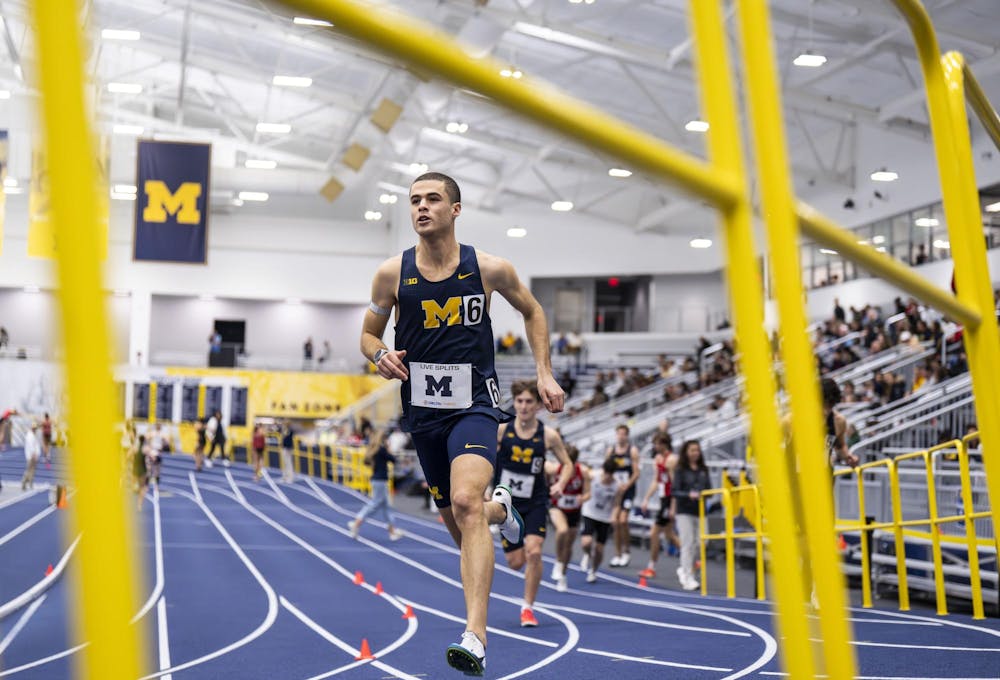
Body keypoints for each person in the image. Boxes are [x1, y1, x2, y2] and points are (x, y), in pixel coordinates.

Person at [360, 171, 564, 676]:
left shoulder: (489, 268)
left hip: (475, 403)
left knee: (467, 502)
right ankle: (503, 512)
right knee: (461, 519)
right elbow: (367, 333)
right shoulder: (391, 274)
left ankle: (475, 635)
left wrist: (543, 372)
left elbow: (533, 311)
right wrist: (380, 354)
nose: (421, 207)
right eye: (414, 200)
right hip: (423, 415)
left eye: (433, 199)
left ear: (455, 210)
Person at [494, 379, 572, 626]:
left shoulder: (548, 436)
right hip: (506, 505)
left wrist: (560, 483)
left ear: (538, 405)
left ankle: (527, 608)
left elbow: (568, 464)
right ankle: (527, 557)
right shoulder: (502, 430)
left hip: (536, 501)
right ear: (514, 403)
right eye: (519, 401)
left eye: (529, 401)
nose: (524, 406)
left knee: (535, 552)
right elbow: (484, 460)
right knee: (516, 563)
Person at [546, 444, 589, 592]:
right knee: (562, 531)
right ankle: (558, 562)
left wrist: (582, 498)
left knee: (568, 546)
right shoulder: (555, 468)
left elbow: (588, 493)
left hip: (574, 511)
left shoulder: (583, 472)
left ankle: (563, 575)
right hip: (557, 507)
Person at [348, 430, 403, 541]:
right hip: (380, 481)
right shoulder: (381, 450)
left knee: (386, 506)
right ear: (383, 439)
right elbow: (393, 459)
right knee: (375, 504)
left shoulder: (373, 450)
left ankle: (392, 532)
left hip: (377, 480)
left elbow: (366, 462)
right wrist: (388, 448)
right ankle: (356, 522)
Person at [638, 433, 680, 578]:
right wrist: (646, 499)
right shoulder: (658, 459)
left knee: (654, 533)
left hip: (669, 499)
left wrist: (673, 505)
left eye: (657, 444)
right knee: (669, 535)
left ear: (664, 444)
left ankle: (651, 567)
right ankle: (693, 561)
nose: (655, 447)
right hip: (664, 498)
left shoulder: (671, 460)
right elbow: (657, 481)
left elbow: (675, 484)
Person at [672, 440, 710, 591]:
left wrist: (703, 495)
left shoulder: (703, 469)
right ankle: (687, 576)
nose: (695, 453)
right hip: (684, 510)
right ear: (686, 452)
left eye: (697, 450)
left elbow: (709, 488)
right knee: (687, 542)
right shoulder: (680, 469)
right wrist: (689, 494)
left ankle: (686, 568)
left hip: (700, 510)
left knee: (702, 542)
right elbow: (675, 490)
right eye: (692, 450)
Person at [579, 459, 626, 583]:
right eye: (606, 474)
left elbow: (617, 504)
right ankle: (588, 554)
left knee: (599, 549)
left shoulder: (617, 486)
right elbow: (583, 473)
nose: (607, 478)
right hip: (590, 512)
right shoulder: (593, 476)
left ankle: (593, 570)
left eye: (610, 475)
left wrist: (614, 516)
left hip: (605, 517)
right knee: (586, 542)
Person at [605, 424, 640, 567]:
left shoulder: (632, 451)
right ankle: (617, 554)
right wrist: (614, 483)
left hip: (628, 489)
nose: (621, 436)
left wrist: (627, 484)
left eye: (623, 434)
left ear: (627, 435)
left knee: (623, 521)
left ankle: (627, 551)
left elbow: (637, 472)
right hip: (616, 490)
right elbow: (606, 469)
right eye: (619, 433)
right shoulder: (611, 451)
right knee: (615, 522)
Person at [21, 421, 41, 490]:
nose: (35, 429)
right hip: (30, 455)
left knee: (33, 470)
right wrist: (34, 454)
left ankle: (30, 483)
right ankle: (24, 483)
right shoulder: (29, 435)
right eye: (34, 428)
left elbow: (37, 445)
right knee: (29, 470)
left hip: (34, 455)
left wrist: (37, 453)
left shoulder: (34, 434)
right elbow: (31, 446)